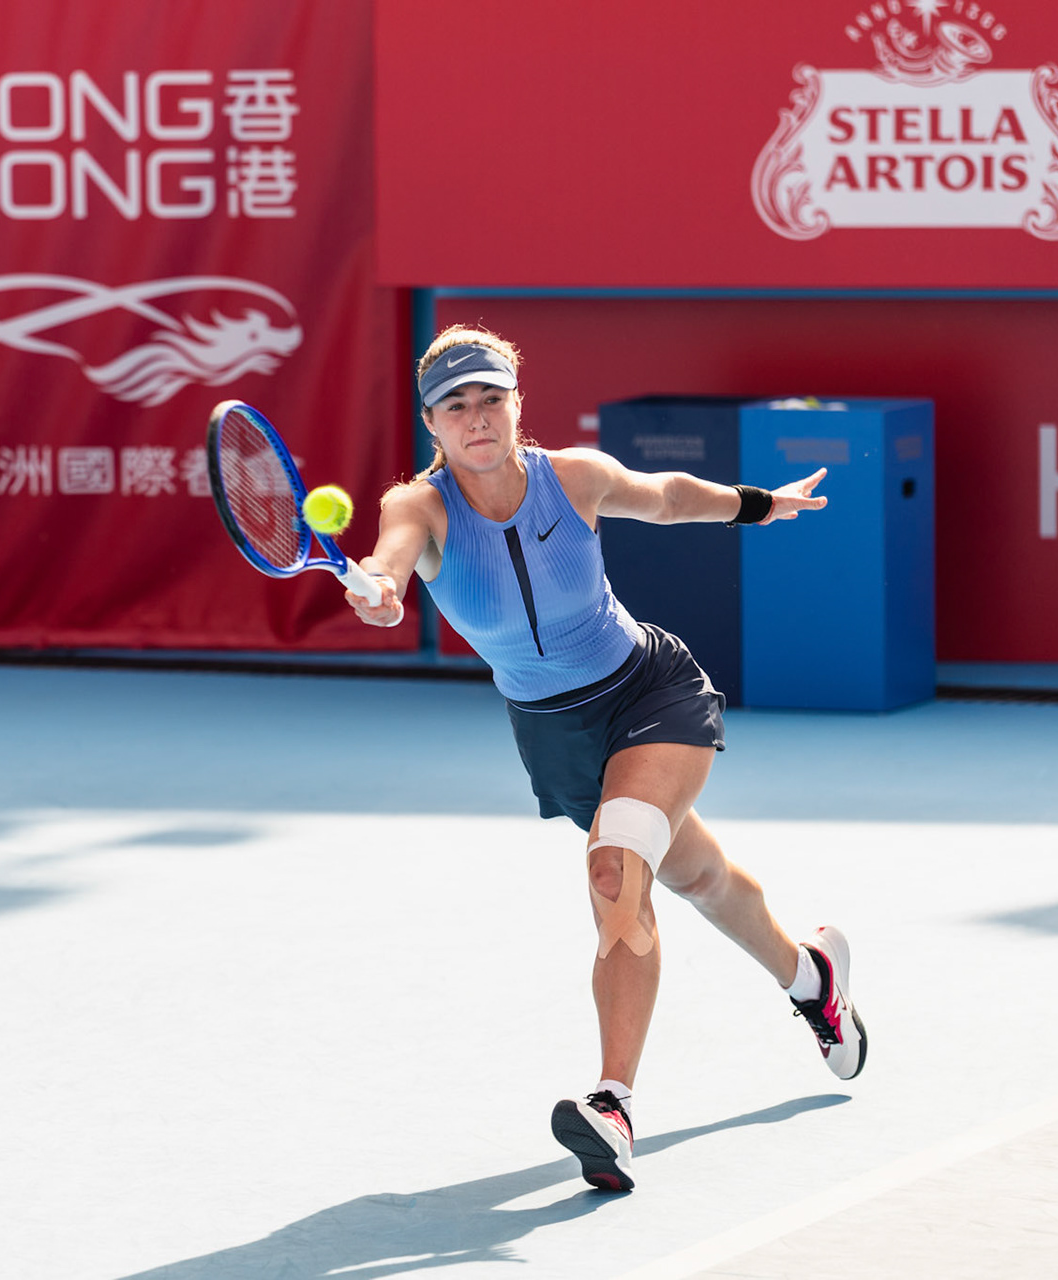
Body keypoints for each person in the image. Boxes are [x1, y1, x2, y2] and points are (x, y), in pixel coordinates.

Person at [345, 325, 864, 1193]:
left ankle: (612, 1103)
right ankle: (813, 977)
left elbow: (664, 495)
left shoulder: (572, 477)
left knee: (619, 871)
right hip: (556, 732)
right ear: (431, 424)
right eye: (454, 407)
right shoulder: (419, 507)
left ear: (517, 404)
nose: (476, 418)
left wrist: (754, 503)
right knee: (698, 878)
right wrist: (381, 586)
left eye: (490, 399)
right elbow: (391, 560)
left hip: (648, 689)